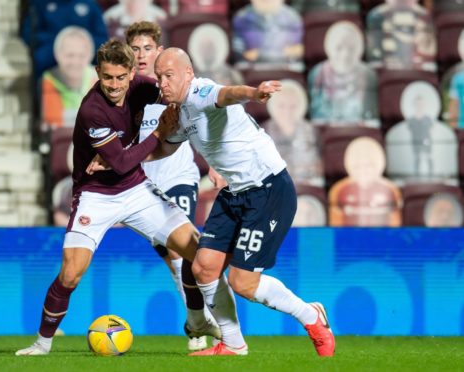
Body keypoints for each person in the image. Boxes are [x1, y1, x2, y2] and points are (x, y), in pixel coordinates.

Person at [15, 39, 220, 356]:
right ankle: (42, 344)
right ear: (97, 73)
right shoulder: (92, 110)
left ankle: (196, 321)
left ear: (130, 74)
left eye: (120, 77)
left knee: (196, 250)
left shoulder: (141, 86)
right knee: (71, 273)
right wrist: (157, 134)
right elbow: (122, 161)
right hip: (96, 195)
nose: (114, 85)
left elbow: (179, 94)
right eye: (107, 77)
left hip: (136, 189)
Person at [151, 48, 335, 356]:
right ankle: (233, 344)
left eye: (168, 76)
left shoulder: (200, 92)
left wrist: (254, 92)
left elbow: (228, 94)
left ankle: (311, 316)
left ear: (187, 73)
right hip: (235, 193)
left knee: (243, 282)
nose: (162, 83)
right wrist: (132, 153)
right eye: (158, 77)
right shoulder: (179, 112)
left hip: (268, 189)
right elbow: (163, 150)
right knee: (204, 268)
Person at [124, 21, 209, 351]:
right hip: (143, 187)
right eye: (135, 50)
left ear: (158, 51)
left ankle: (203, 321)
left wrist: (213, 165)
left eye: (147, 48)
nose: (141, 55)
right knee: (172, 259)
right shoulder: (126, 93)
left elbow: (201, 121)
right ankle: (197, 319)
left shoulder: (172, 86)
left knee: (182, 247)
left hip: (178, 178)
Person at [308, 21, 379, 127]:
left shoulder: (368, 75)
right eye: (339, 47)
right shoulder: (317, 73)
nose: (345, 54)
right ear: (329, 47)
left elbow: (371, 120)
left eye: (351, 48)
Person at [20, 0, 109, 81]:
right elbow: (28, 34)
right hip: (51, 50)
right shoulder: (39, 4)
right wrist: (58, 42)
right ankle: (42, 95)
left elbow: (102, 37)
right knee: (40, 58)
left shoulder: (90, 4)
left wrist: (83, 43)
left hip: (84, 52)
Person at [329, 137, 402, 226]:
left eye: (369, 165)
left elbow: (395, 224)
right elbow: (336, 224)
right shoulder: (339, 189)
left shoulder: (391, 189)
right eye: (358, 166)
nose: (364, 170)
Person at [41, 26, 99, 129]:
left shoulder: (98, 79)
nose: (75, 62)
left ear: (89, 56)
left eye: (81, 56)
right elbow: (53, 124)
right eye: (70, 55)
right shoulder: (49, 80)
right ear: (58, 55)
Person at [231, 0, 303, 66]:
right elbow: (240, 52)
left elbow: (297, 51)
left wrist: (258, 55)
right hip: (252, 69)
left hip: (285, 68)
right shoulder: (242, 17)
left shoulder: (292, 17)